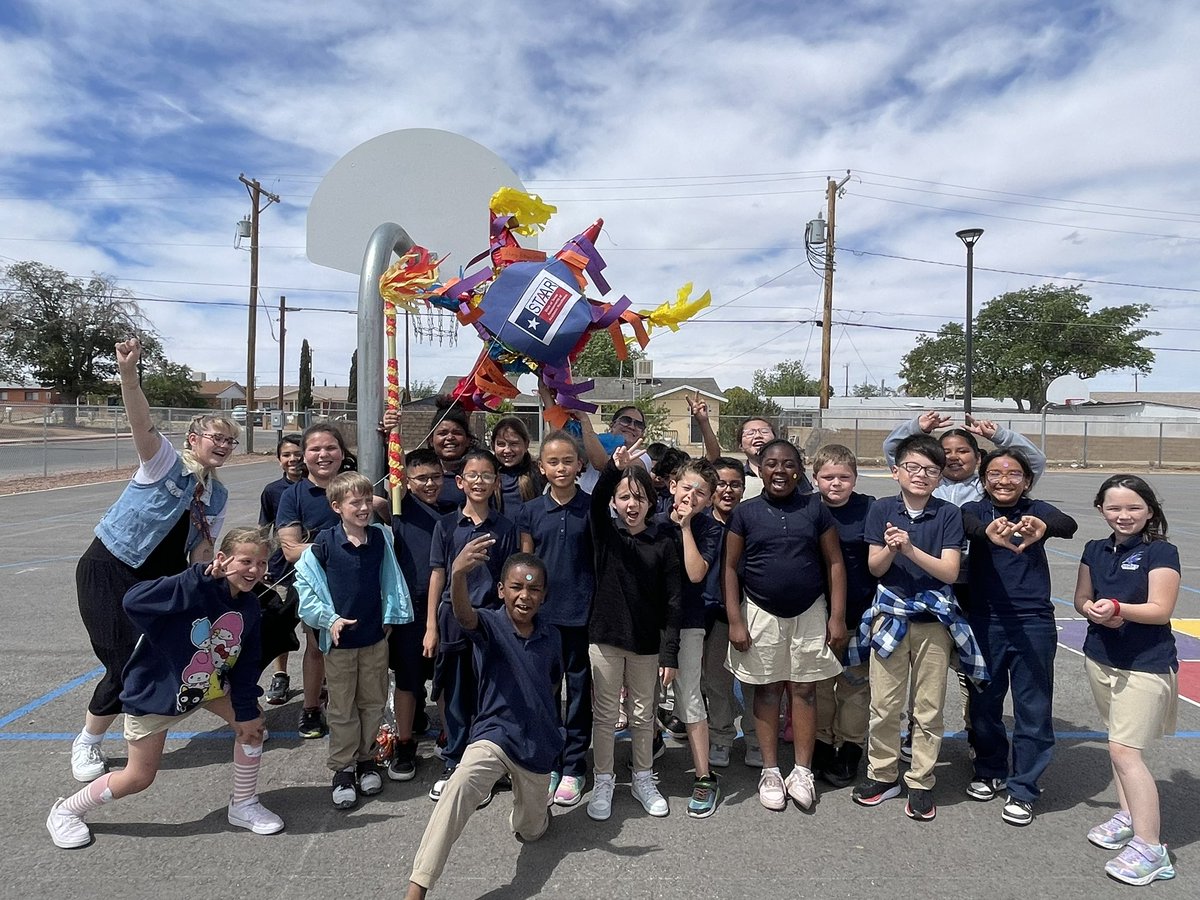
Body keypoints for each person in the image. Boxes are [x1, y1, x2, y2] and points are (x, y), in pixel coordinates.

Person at [47, 526, 283, 848]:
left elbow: (246, 663)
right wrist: (197, 576)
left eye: (261, 563)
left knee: (252, 727)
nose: (254, 570)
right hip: (157, 694)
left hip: (204, 685)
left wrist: (244, 709)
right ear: (222, 560)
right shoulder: (192, 589)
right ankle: (67, 811)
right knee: (138, 777)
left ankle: (243, 804)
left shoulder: (250, 606)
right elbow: (134, 601)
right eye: (246, 561)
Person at [69, 337, 234, 783]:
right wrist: (128, 373)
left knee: (151, 656)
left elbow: (201, 549)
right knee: (122, 659)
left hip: (155, 582)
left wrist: (210, 574)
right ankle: (87, 741)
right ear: (193, 438)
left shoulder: (217, 494)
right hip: (109, 567)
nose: (224, 445)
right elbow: (140, 421)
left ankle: (133, 739)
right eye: (217, 437)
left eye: (230, 441)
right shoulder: (163, 463)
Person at [404, 544, 563, 899]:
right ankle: (417, 887)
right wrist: (458, 573)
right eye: (517, 587)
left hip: (537, 746)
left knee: (530, 831)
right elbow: (464, 615)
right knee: (458, 787)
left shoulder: (552, 636)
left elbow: (552, 683)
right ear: (501, 591)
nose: (525, 595)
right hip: (494, 736)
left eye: (534, 588)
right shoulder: (489, 623)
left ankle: (528, 811)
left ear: (544, 594)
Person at [849, 434, 986, 822]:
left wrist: (909, 549)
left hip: (934, 620)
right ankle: (882, 774)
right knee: (884, 704)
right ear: (896, 472)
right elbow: (875, 567)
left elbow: (949, 570)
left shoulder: (947, 514)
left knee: (928, 707)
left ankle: (921, 780)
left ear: (940, 477)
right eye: (912, 467)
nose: (921, 475)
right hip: (889, 615)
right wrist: (891, 549)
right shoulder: (881, 509)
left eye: (930, 470)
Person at [724, 438, 847, 812]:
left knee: (805, 690)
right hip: (759, 613)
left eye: (788, 464)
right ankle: (771, 770)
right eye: (772, 464)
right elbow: (729, 567)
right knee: (766, 690)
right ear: (759, 470)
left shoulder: (815, 509)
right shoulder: (745, 513)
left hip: (809, 611)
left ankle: (803, 770)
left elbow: (835, 563)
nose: (780, 471)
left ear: (800, 468)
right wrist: (735, 619)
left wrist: (837, 616)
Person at [961, 448, 1077, 826]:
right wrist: (985, 534)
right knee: (984, 704)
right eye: (995, 473)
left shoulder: (1036, 511)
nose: (1004, 480)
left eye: (1013, 474)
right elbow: (963, 524)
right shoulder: (977, 512)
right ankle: (990, 768)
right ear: (983, 480)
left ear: (1026, 480)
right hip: (984, 620)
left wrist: (1045, 528)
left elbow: (1067, 523)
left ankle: (1024, 788)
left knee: (1033, 708)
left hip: (1033, 622)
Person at [1073, 475, 1179, 886]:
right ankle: (1130, 815)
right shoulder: (1094, 549)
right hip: (1101, 658)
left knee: (1124, 752)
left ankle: (1152, 848)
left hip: (1145, 663)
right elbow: (1081, 597)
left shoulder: (1161, 551)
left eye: (1133, 507)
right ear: (1101, 509)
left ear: (1149, 510)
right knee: (1116, 741)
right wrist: (1092, 610)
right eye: (1114, 507)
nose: (1123, 515)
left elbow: (1161, 608)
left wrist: (1118, 607)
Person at [295, 472, 413, 809]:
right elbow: (307, 591)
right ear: (337, 507)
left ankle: (366, 760)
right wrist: (329, 620)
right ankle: (343, 769)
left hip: (374, 639)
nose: (363, 507)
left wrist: (391, 617)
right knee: (342, 708)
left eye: (366, 500)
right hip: (341, 644)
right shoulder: (324, 546)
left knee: (372, 703)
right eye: (354, 502)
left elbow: (389, 581)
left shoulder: (379, 539)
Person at [586, 440, 682, 821]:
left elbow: (675, 600)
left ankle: (643, 777)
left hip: (646, 642)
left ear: (651, 502)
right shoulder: (606, 533)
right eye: (624, 496)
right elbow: (594, 503)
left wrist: (670, 652)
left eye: (639, 497)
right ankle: (604, 779)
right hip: (606, 638)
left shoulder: (663, 540)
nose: (631, 504)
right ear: (614, 500)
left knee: (644, 715)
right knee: (606, 715)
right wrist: (613, 469)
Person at [426, 448, 520, 802]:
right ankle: (455, 762)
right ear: (460, 482)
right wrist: (431, 626)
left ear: (496, 483)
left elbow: (509, 579)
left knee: (490, 696)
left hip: (491, 622)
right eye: (473, 475)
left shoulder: (505, 527)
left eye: (487, 475)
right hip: (452, 620)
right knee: (455, 695)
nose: (479, 481)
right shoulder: (446, 525)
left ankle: (489, 766)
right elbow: (437, 574)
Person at [276, 422, 367, 740]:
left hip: (360, 583)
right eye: (315, 449)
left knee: (360, 648)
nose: (323, 454)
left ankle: (352, 704)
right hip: (318, 587)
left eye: (330, 448)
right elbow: (290, 549)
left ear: (343, 453)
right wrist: (341, 547)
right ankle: (311, 707)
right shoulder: (294, 495)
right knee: (317, 648)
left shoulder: (358, 487)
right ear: (304, 455)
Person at [518, 429, 595, 808]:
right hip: (543, 618)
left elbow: (600, 563)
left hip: (582, 615)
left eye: (568, 460)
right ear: (541, 467)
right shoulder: (530, 512)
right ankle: (548, 760)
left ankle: (575, 766)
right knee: (544, 691)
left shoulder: (593, 507)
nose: (561, 467)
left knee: (579, 694)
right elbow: (527, 568)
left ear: (579, 465)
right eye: (553, 461)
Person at [653, 457, 724, 817]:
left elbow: (696, 574)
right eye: (686, 488)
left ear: (710, 500)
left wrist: (684, 528)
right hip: (649, 619)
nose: (691, 496)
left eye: (701, 493)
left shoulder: (710, 529)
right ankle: (645, 758)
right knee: (643, 694)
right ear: (672, 487)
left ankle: (704, 775)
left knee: (689, 695)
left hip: (690, 620)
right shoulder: (652, 521)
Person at [386, 447, 456, 782]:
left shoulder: (451, 512)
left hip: (444, 608)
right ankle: (404, 743)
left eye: (436, 477)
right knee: (408, 680)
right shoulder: (397, 511)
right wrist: (390, 430)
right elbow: (386, 480)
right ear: (407, 482)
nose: (430, 484)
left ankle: (449, 736)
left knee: (444, 679)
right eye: (422, 478)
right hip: (408, 614)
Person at [810, 444, 876, 788]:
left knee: (854, 686)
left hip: (859, 613)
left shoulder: (871, 509)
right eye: (828, 477)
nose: (836, 483)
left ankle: (851, 745)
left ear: (855, 478)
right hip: (815, 614)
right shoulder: (807, 509)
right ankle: (820, 741)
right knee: (820, 685)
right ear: (814, 477)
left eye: (844, 477)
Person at [699, 457, 747, 770]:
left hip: (747, 612)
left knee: (753, 682)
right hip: (708, 613)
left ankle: (754, 738)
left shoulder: (752, 521)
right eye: (720, 484)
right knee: (715, 681)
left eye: (735, 484)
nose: (727, 490)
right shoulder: (699, 523)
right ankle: (721, 736)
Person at [259, 432, 304, 705]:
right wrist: (263, 561)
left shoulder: (322, 487)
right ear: (279, 460)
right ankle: (280, 675)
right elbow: (265, 529)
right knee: (280, 624)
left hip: (310, 568)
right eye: (286, 455)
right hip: (280, 569)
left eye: (298, 454)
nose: (293, 460)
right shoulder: (272, 491)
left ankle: (321, 677)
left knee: (313, 626)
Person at [577, 405, 653, 494]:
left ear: (642, 433)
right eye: (626, 420)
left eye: (639, 425)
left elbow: (603, 465)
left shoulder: (642, 456)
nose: (632, 427)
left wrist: (584, 418)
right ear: (612, 425)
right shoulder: (593, 446)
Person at [490, 415, 543, 517]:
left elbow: (557, 437)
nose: (507, 450)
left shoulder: (537, 471)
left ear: (526, 444)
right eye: (501, 444)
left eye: (514, 444)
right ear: (493, 445)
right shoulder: (486, 473)